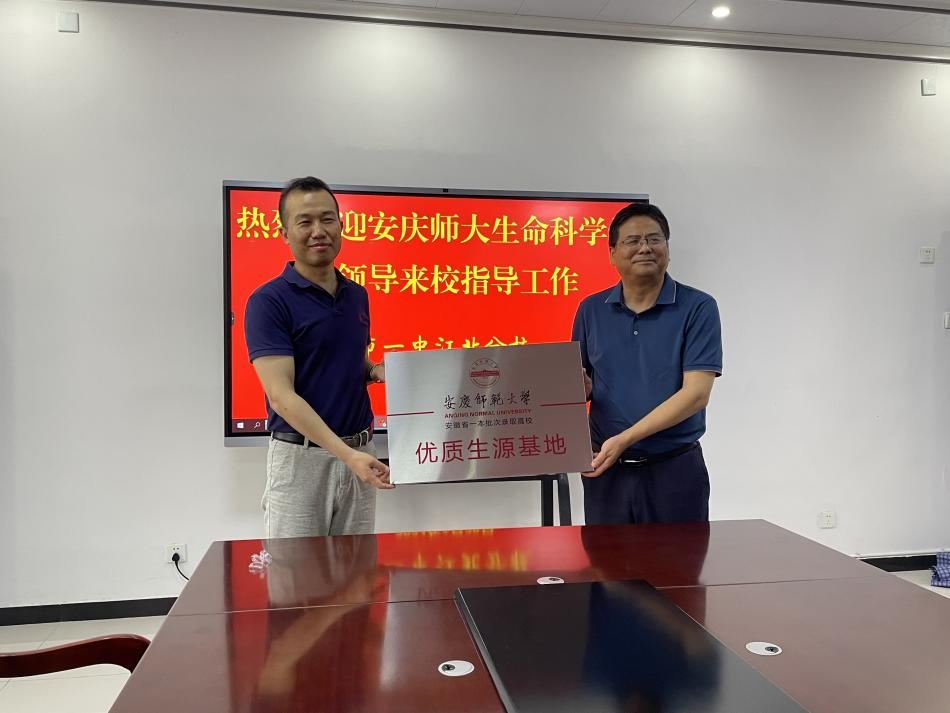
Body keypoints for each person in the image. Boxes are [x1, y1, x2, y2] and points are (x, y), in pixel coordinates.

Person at [245, 176, 393, 538]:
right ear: (285, 233)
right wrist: (345, 454)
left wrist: (376, 371)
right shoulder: (268, 302)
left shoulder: (356, 295)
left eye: (327, 219)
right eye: (305, 222)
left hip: (361, 449)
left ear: (341, 225)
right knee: (296, 570)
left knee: (356, 568)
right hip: (302, 461)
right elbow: (281, 397)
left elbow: (348, 359)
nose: (318, 231)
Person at [571, 202, 722, 525]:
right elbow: (580, 386)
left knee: (679, 559)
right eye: (632, 241)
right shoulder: (590, 310)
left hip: (674, 470)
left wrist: (626, 438)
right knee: (606, 559)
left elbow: (696, 394)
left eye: (654, 239)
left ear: (667, 249)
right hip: (606, 472)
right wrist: (579, 390)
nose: (645, 248)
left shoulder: (698, 307)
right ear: (612, 254)